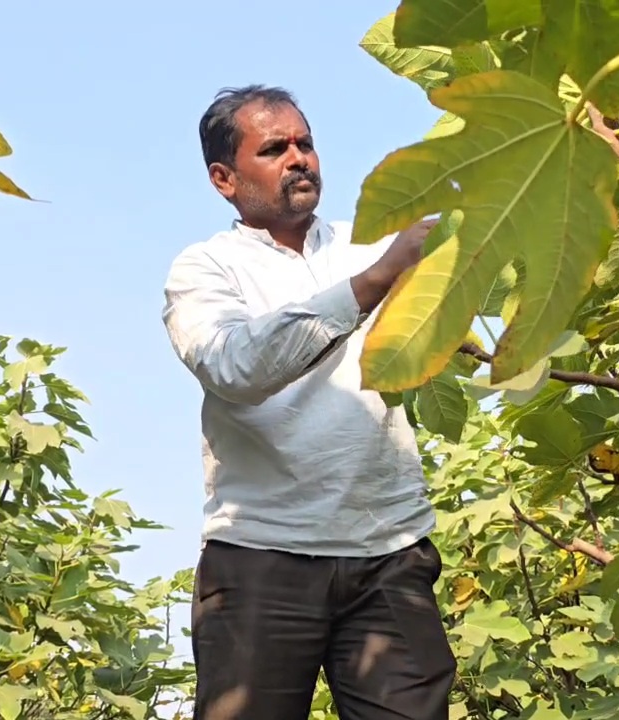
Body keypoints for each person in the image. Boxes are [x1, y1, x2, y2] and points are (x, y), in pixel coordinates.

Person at [160, 84, 456, 720]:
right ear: (224, 177)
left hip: (389, 551)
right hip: (261, 557)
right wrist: (373, 283)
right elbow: (232, 365)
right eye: (274, 148)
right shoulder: (204, 270)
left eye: (306, 143)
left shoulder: (372, 241)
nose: (299, 158)